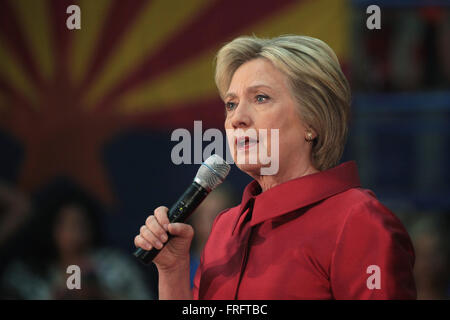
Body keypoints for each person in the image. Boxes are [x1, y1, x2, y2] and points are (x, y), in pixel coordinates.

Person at [134, 35, 417, 299]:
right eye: (231, 104)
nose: (237, 119)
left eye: (260, 98)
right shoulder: (224, 227)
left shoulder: (358, 220)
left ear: (312, 121)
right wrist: (173, 272)